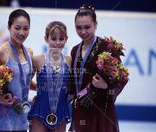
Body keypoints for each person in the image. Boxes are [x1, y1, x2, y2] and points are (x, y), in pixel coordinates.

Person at [69, 4, 129, 132]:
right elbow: (73, 83)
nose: (83, 31)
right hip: (81, 109)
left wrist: (106, 86)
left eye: (87, 27)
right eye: (78, 28)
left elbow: (122, 77)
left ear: (96, 24)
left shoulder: (107, 47)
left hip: (102, 109)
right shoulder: (74, 50)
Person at [28, 21, 71, 132]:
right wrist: (41, 90)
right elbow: (25, 82)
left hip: (61, 110)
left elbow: (75, 87)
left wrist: (68, 99)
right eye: (53, 39)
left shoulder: (70, 61)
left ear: (66, 39)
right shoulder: (37, 60)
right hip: (40, 110)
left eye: (61, 39)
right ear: (46, 38)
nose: (57, 43)